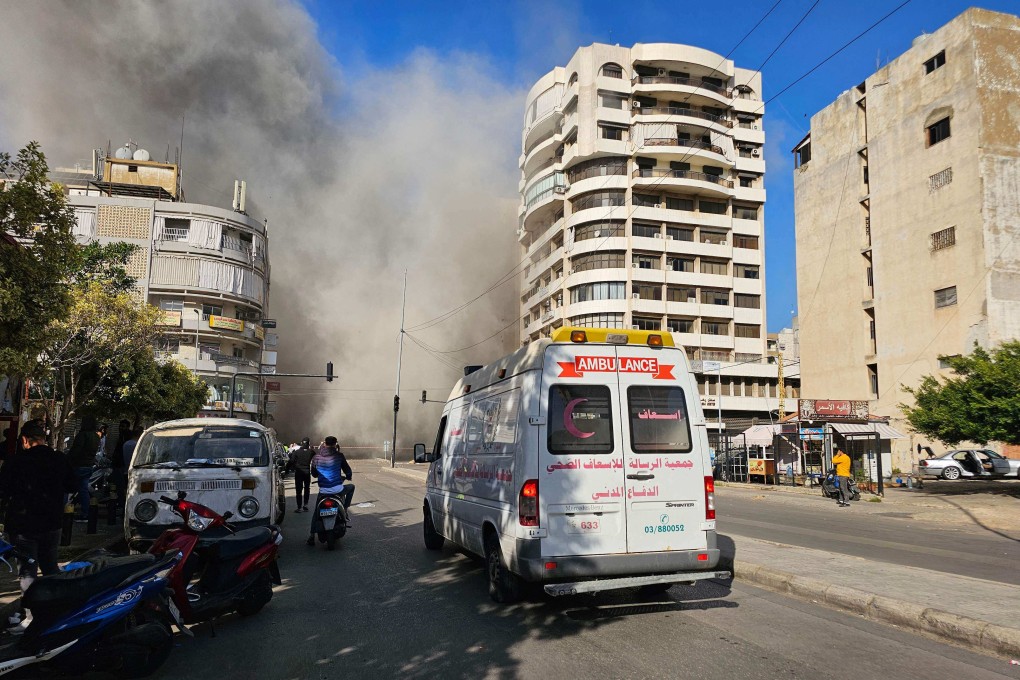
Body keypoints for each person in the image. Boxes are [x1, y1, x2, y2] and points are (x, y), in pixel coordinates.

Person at [0, 421, 78, 628]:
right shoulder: (59, 459)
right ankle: (55, 610)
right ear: (44, 439)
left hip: (23, 525)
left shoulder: (16, 461)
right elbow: (73, 485)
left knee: (28, 571)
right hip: (52, 523)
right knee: (50, 567)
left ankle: (32, 616)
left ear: (25, 440)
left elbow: (3, 490)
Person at [306, 436, 354, 546]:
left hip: (324, 491)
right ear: (335, 444)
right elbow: (347, 470)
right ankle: (345, 508)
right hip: (338, 489)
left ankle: (312, 536)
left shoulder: (316, 457)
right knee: (351, 487)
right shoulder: (339, 456)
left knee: (316, 513)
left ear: (324, 444)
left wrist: (320, 474)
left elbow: (314, 474)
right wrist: (348, 476)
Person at [66, 415, 100, 521]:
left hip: (78, 465)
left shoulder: (82, 435)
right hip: (89, 465)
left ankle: (64, 511)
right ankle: (85, 512)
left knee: (66, 487)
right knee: (83, 489)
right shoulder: (96, 436)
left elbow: (76, 451)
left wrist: (68, 460)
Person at [291, 437, 316, 513]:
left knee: (299, 490)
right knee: (307, 488)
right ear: (309, 443)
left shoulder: (296, 452)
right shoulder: (311, 452)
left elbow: (291, 461)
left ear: (302, 443)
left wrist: (289, 469)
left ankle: (299, 507)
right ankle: (305, 505)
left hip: (298, 472)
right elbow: (316, 460)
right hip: (307, 472)